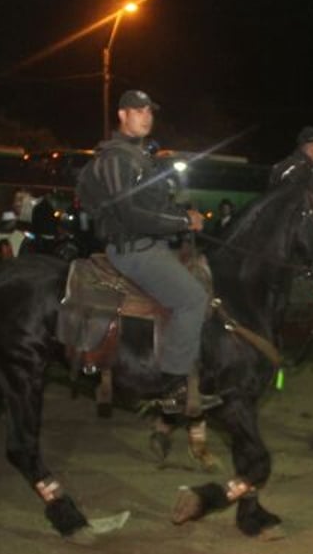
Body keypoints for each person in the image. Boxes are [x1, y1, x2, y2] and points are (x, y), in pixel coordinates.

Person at [76, 89, 216, 416]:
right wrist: (182, 220)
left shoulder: (138, 156)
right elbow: (130, 213)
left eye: (149, 112)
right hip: (133, 249)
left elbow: (152, 205)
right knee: (193, 298)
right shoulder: (116, 158)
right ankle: (174, 383)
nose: (146, 117)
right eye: (139, 111)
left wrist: (182, 214)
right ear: (122, 115)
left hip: (149, 243)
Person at [269, 126, 313, 191]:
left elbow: (306, 195)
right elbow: (284, 197)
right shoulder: (295, 167)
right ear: (312, 147)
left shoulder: (305, 166)